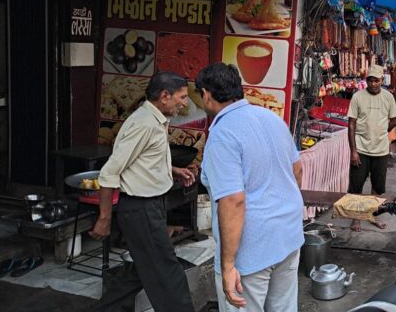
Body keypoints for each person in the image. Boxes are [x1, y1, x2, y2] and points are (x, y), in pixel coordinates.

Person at [197, 63, 304, 312]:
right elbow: (297, 170)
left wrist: (227, 265)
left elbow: (233, 200)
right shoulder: (270, 118)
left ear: (206, 94)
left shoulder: (223, 133)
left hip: (252, 248)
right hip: (288, 234)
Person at [92, 72, 195, 312]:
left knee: (140, 271)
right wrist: (104, 218)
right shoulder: (144, 124)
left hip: (150, 207)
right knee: (168, 273)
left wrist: (172, 169)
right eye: (181, 97)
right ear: (165, 96)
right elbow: (109, 172)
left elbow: (142, 158)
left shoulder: (154, 119)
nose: (185, 103)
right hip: (140, 209)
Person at [348, 64, 396, 232]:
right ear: (366, 80)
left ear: (381, 80)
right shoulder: (357, 97)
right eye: (370, 80)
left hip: (381, 150)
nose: (373, 84)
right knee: (356, 186)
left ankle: (372, 215)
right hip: (361, 149)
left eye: (376, 81)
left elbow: (394, 120)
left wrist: (382, 131)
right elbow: (351, 124)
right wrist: (353, 151)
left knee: (378, 187)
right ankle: (356, 218)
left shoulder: (388, 97)